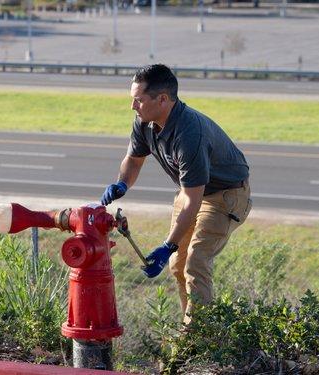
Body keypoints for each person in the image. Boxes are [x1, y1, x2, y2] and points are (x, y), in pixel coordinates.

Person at [101, 64, 252, 323]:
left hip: (225, 195)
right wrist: (122, 184)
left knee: (195, 261)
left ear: (163, 99)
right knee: (178, 265)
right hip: (192, 191)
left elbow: (193, 201)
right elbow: (134, 160)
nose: (133, 106)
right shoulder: (145, 122)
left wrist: (167, 245)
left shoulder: (189, 133)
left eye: (138, 100)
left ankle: (198, 339)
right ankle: (191, 325)